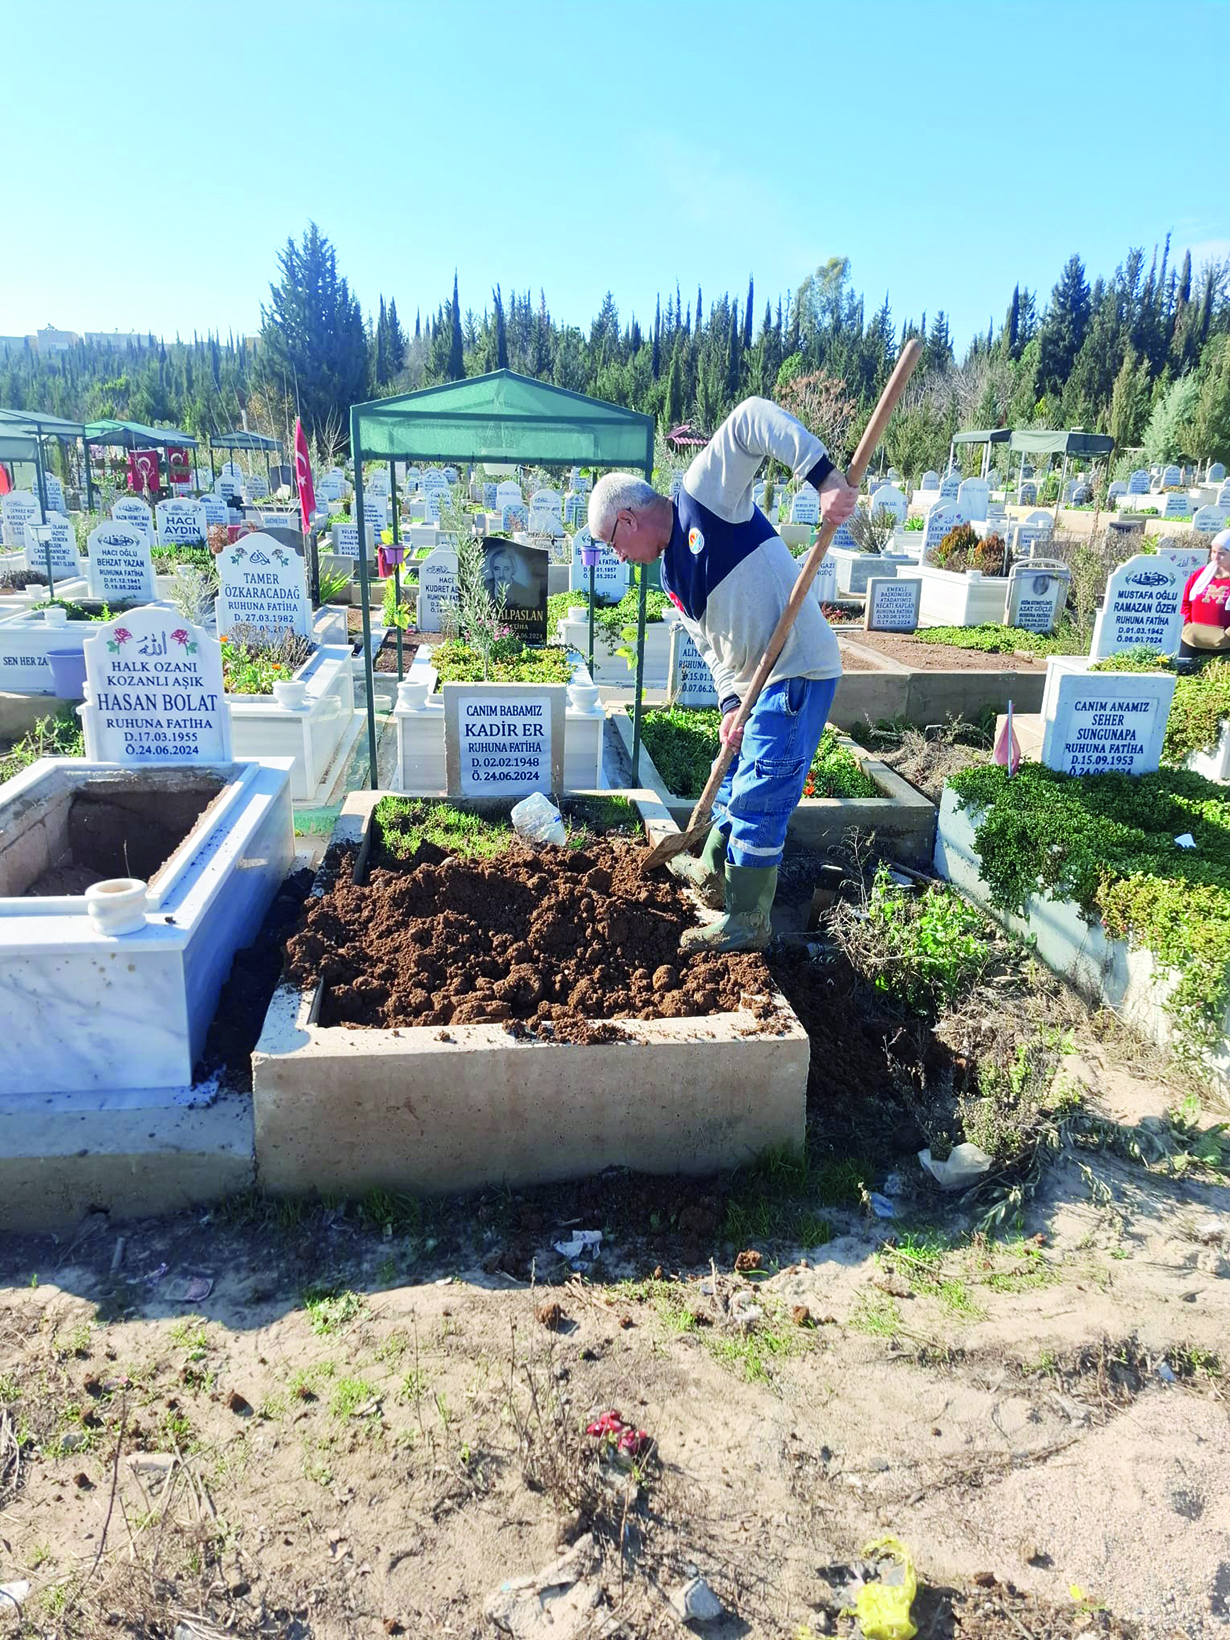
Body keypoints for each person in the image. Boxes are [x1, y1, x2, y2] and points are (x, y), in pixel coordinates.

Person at [588, 398, 857, 954]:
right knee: (734, 785)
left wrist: (823, 477)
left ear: (628, 519)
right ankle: (714, 870)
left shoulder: (703, 496)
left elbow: (751, 417)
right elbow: (713, 651)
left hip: (796, 668)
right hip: (756, 685)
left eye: (614, 544)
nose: (619, 557)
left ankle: (747, 919)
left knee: (761, 793)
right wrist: (731, 705)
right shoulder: (671, 574)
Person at [1180, 530, 1230, 656]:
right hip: (1191, 641)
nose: (1215, 557)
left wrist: (1227, 636)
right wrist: (1187, 626)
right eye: (1213, 552)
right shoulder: (1200, 574)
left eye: (1222, 553)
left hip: (1223, 645)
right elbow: (1184, 601)